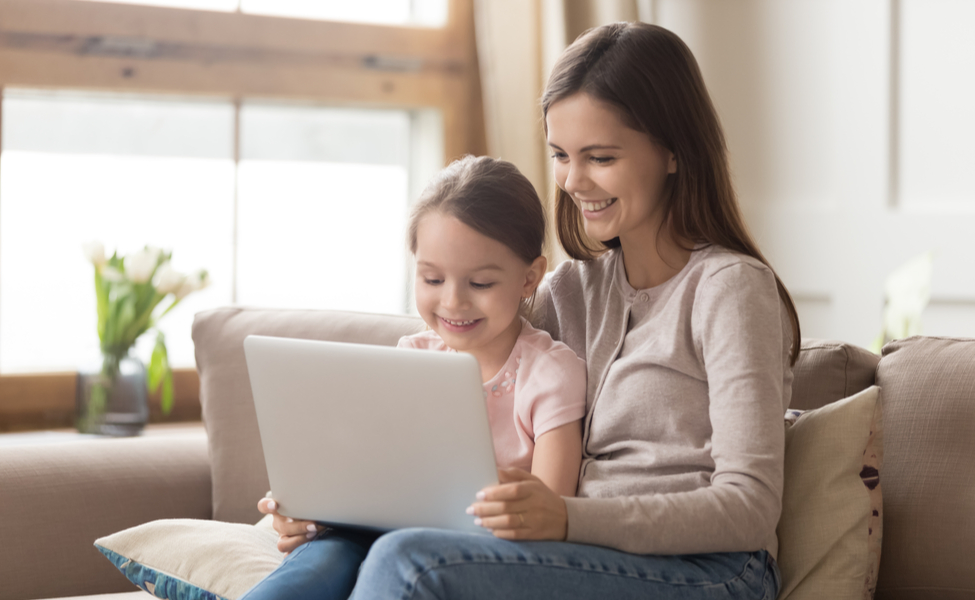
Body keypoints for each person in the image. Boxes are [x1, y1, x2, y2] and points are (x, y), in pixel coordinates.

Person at [341, 21, 801, 599]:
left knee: (412, 564)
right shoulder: (567, 292)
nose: (573, 181)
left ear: (675, 153)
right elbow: (464, 381)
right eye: (560, 155)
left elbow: (749, 508)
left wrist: (566, 518)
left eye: (600, 157)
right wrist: (331, 507)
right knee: (341, 548)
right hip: (577, 557)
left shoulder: (731, 290)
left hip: (711, 570)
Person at [240, 155, 587, 600]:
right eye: (432, 278)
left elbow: (552, 512)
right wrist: (311, 508)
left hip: (471, 558)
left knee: (376, 555)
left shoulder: (549, 373)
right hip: (382, 535)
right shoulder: (413, 357)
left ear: (529, 278)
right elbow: (370, 475)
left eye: (480, 283)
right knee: (326, 555)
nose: (453, 301)